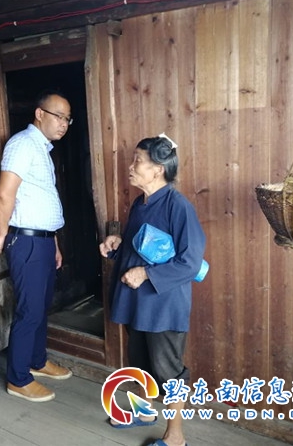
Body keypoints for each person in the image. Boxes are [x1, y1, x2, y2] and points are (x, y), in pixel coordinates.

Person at [99, 134, 206, 446]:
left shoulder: (178, 207)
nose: (131, 167)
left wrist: (146, 273)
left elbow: (189, 262)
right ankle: (144, 413)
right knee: (139, 362)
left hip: (163, 304)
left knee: (168, 369)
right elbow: (140, 247)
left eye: (138, 161)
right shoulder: (140, 203)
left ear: (158, 169)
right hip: (137, 301)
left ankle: (176, 436)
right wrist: (117, 244)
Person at [0, 89, 73, 402]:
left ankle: (37, 361)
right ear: (39, 114)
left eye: (67, 119)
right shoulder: (23, 144)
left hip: (43, 240)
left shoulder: (42, 149)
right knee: (30, 310)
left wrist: (55, 244)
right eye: (58, 116)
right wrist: (2, 233)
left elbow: (41, 201)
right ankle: (18, 378)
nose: (63, 123)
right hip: (25, 241)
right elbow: (4, 193)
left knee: (41, 306)